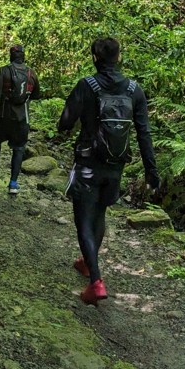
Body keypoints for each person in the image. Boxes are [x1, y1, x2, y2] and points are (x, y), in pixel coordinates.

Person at [57, 37, 160, 305]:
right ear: (119, 57)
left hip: (88, 163)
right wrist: (151, 170)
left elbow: (64, 123)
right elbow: (144, 134)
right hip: (116, 166)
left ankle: (96, 282)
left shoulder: (86, 86)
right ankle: (87, 263)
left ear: (94, 58)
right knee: (100, 212)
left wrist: (78, 119)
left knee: (83, 220)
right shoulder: (134, 90)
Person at [0, 45, 41, 194]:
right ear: (23, 57)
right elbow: (36, 95)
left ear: (11, 56)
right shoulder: (31, 74)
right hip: (22, 119)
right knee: (19, 148)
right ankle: (13, 183)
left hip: (4, 115)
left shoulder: (4, 71)